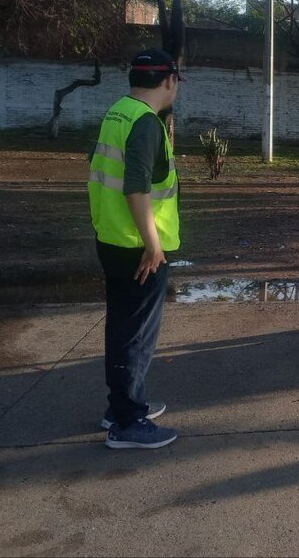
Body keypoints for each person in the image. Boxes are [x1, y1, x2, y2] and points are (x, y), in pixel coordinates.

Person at [88, 48, 182, 449]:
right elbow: (136, 187)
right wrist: (153, 245)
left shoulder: (119, 112)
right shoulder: (145, 123)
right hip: (138, 248)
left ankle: (121, 407)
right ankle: (127, 422)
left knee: (122, 328)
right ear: (169, 81)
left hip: (113, 238)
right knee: (136, 336)